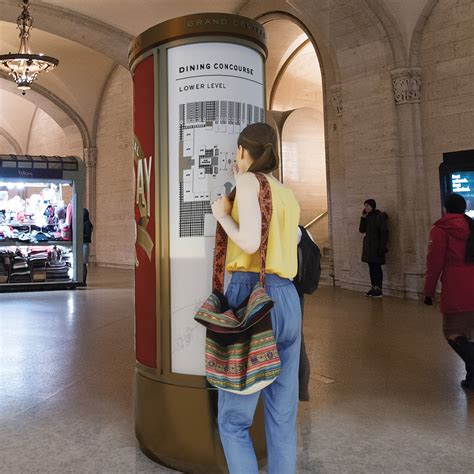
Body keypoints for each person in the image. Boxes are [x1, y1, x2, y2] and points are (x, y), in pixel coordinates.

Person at [211, 123, 301, 474]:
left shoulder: (249, 184)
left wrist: (222, 215)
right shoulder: (285, 191)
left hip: (251, 295)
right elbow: (292, 238)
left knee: (234, 421)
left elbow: (248, 243)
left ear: (242, 151)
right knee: (282, 414)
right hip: (286, 299)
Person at [423, 194, 474, 391]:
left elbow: (434, 263)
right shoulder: (471, 226)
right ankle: (471, 378)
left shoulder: (441, 230)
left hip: (457, 286)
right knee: (469, 333)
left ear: (445, 209)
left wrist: (428, 291)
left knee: (452, 332)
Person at [359, 199, 388, 297]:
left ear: (372, 206)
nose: (365, 208)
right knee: (371, 267)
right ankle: (373, 287)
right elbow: (361, 230)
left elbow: (384, 233)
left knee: (377, 267)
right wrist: (363, 218)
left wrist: (382, 247)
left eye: (367, 205)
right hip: (369, 247)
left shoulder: (379, 216)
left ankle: (378, 289)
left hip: (377, 247)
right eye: (365, 206)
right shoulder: (367, 217)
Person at [82, 208, 93, 286]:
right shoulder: (83, 223)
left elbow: (88, 236)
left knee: (83, 263)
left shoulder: (87, 223)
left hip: (85, 244)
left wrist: (79, 235)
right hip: (82, 244)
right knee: (81, 263)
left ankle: (84, 281)